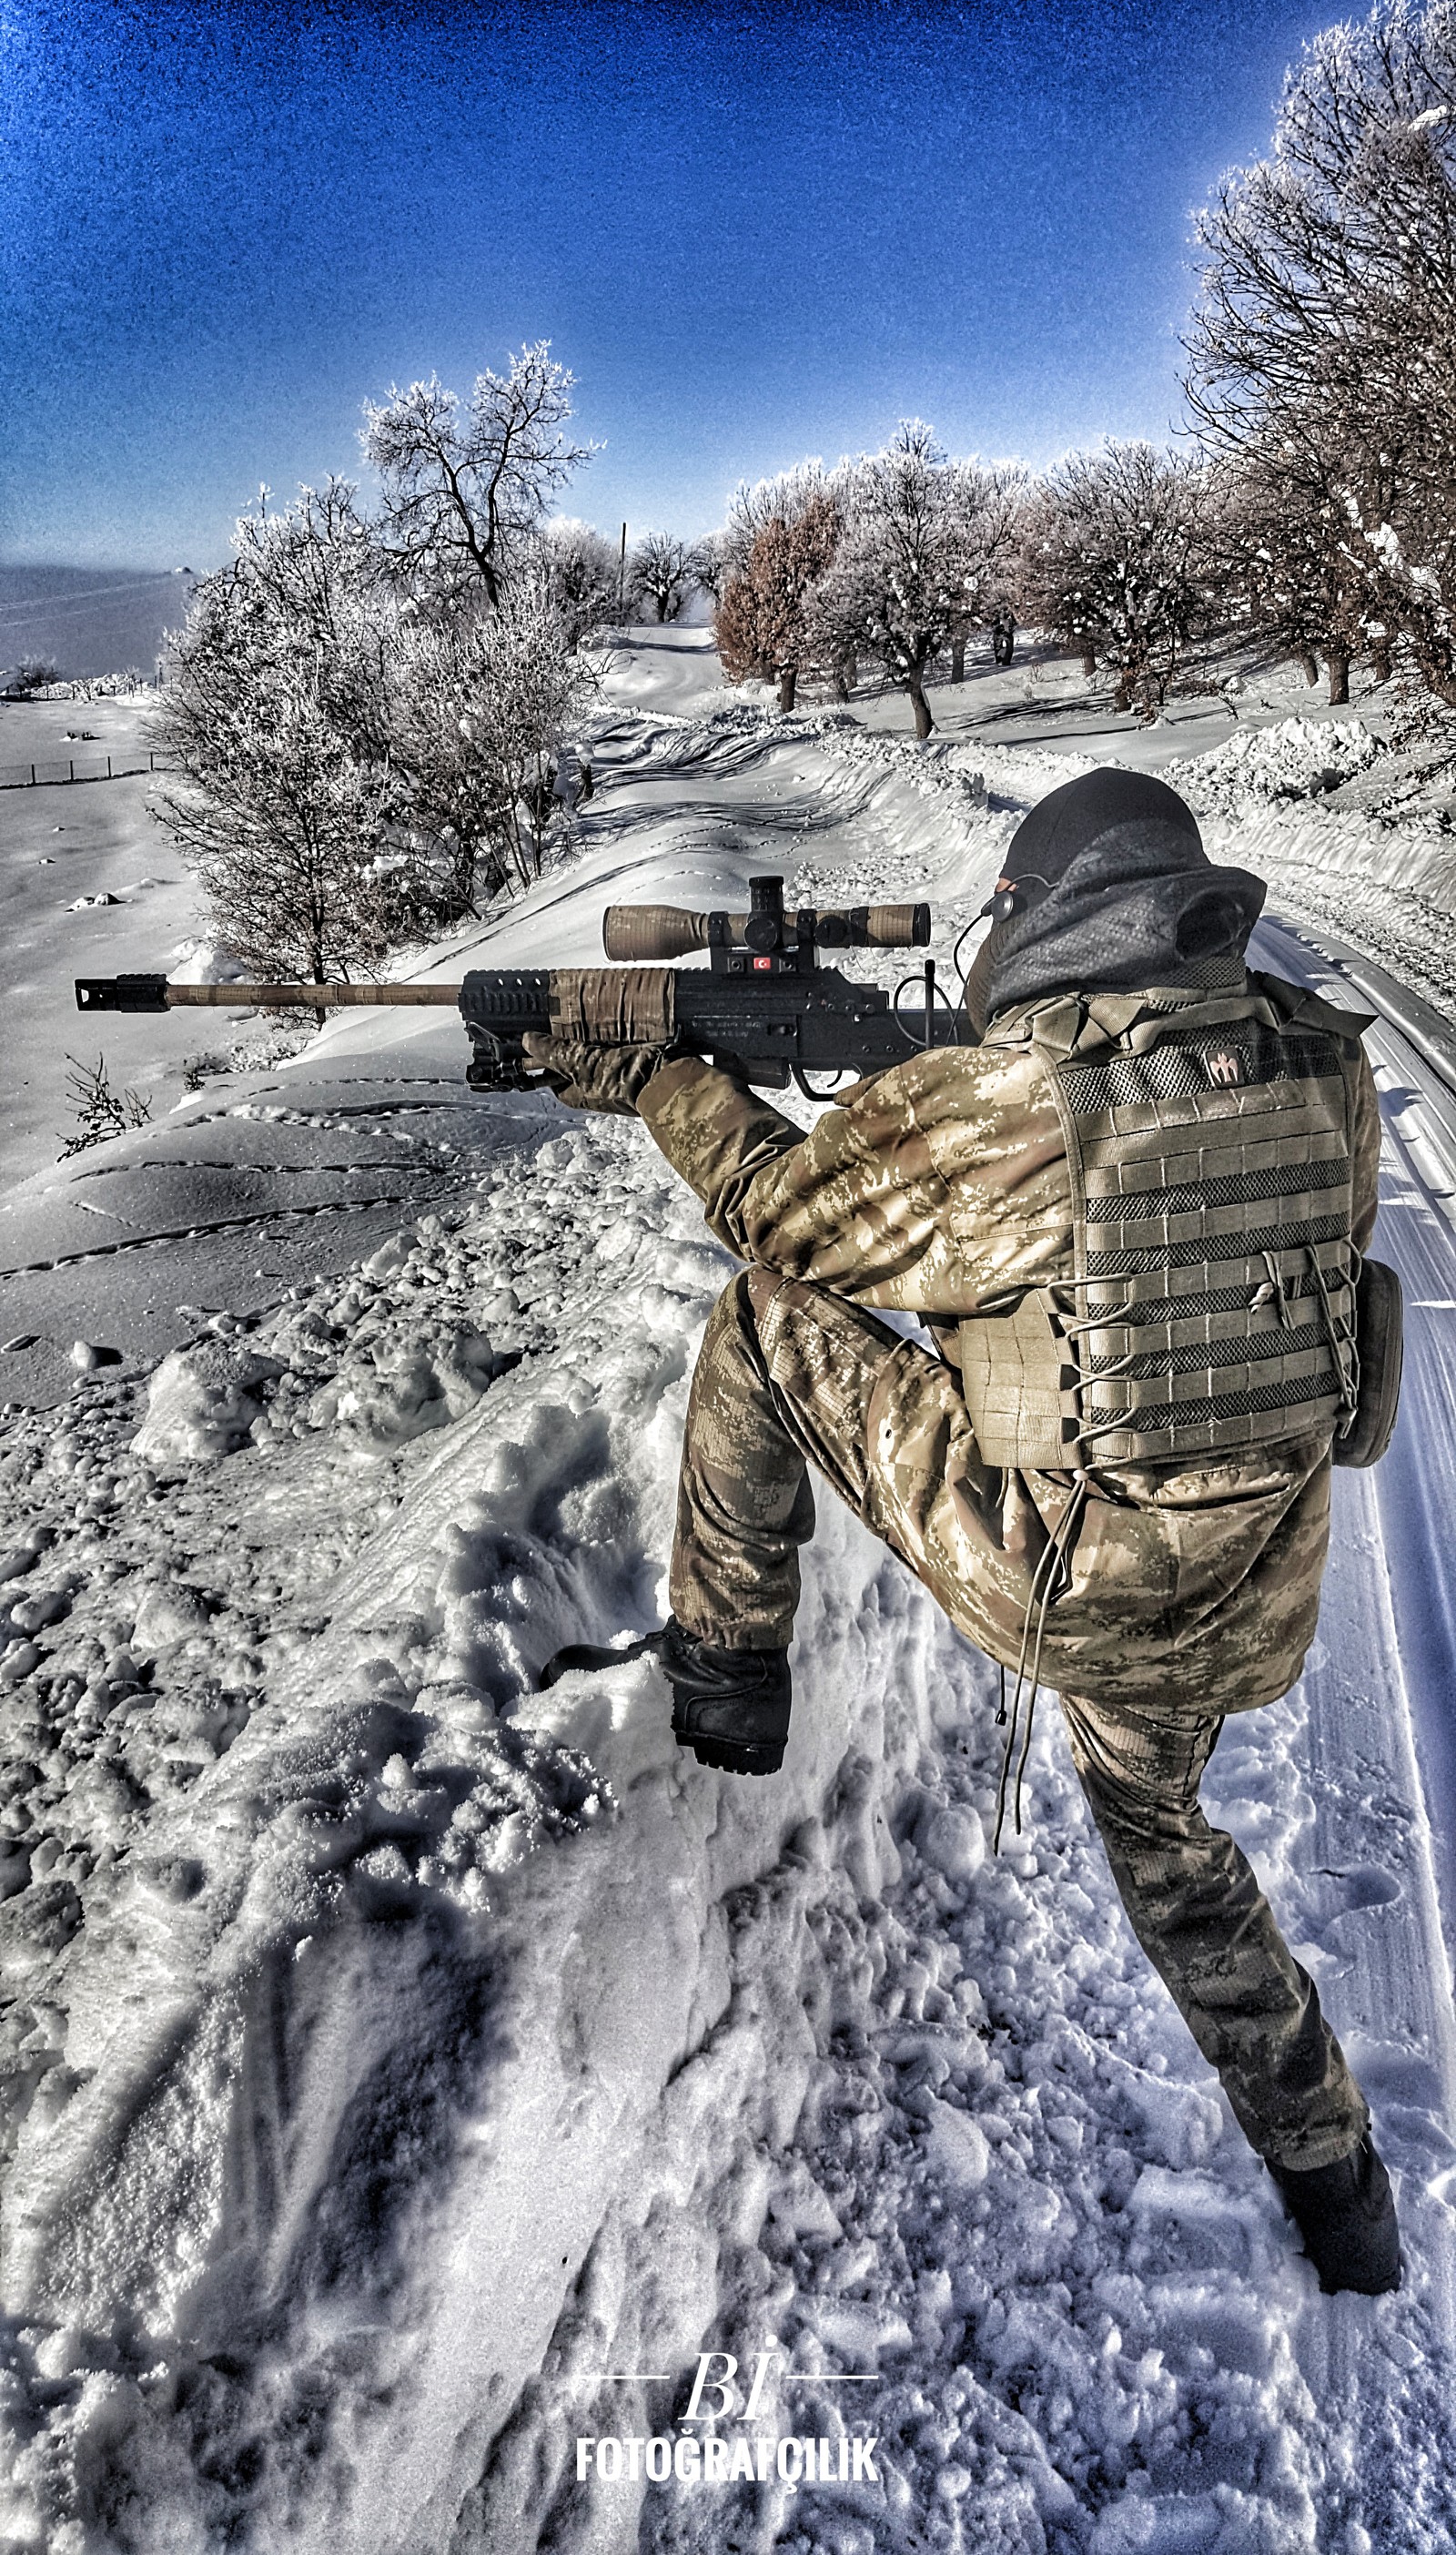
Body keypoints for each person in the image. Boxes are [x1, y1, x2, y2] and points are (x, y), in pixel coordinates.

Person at [527, 766, 1400, 2296]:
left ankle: (727, 1674)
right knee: (1175, 1858)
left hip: (1069, 1581)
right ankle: (1339, 2189)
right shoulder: (1318, 1067)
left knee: (766, 1324)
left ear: (1042, 919)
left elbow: (784, 1224)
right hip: (1250, 1588)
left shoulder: (1012, 1103)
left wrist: (665, 1077)